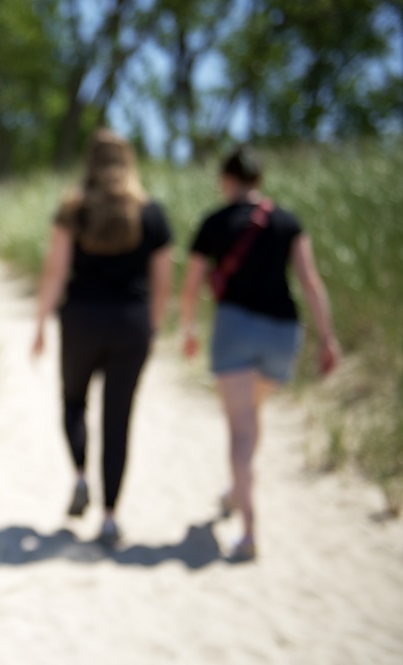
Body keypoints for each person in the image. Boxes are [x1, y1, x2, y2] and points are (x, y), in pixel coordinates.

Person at [179, 145, 339, 561]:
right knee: (253, 418)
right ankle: (236, 489)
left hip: (235, 329)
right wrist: (327, 337)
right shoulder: (286, 221)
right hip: (283, 333)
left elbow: (193, 283)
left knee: (241, 430)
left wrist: (189, 329)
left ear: (227, 179)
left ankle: (249, 530)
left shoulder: (214, 222)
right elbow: (311, 281)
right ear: (259, 180)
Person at [33, 129, 173, 544]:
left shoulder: (73, 209)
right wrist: (154, 325)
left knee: (73, 400)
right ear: (128, 160)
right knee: (118, 420)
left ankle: (79, 475)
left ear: (89, 162)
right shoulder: (151, 212)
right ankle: (110, 518)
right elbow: (162, 279)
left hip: (81, 321)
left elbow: (55, 270)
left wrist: (41, 321)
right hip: (131, 323)